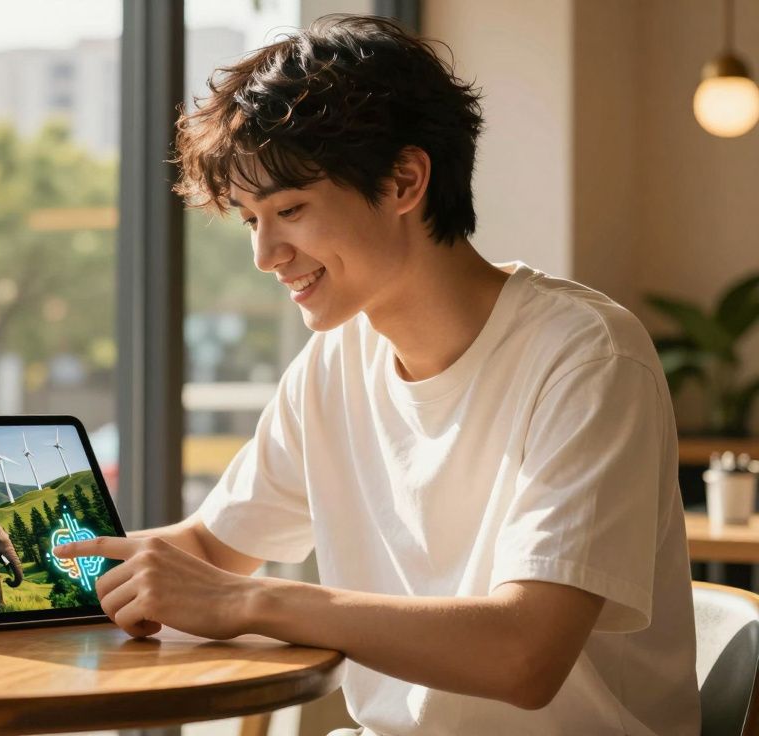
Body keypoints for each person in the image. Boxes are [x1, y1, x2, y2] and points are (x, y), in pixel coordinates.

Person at [54, 14, 700, 735]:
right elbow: (210, 548)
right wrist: (42, 574)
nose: (266, 255)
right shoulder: (334, 364)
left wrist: (251, 602)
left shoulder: (586, 357)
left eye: (290, 210)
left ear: (404, 181)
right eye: (249, 221)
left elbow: (524, 654)